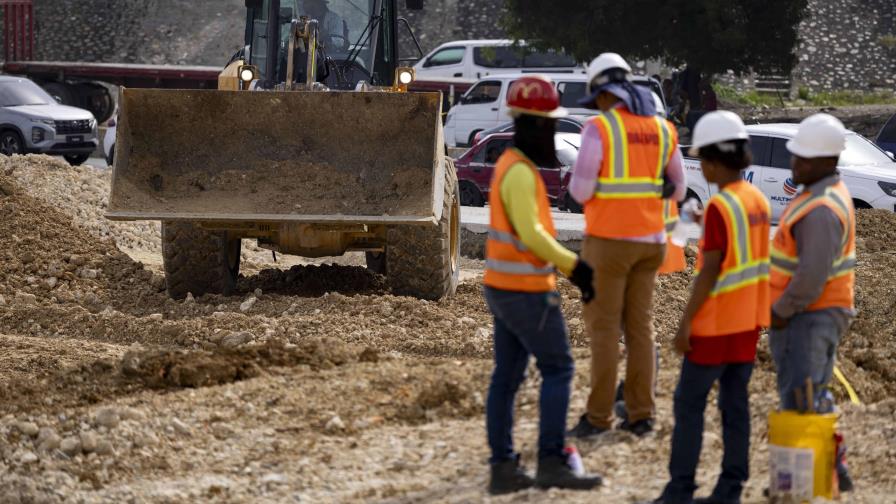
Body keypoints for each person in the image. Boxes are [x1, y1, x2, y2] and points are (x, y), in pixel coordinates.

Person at [482, 75, 602, 495]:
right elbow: (531, 234)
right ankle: (551, 460)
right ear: (532, 125)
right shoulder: (519, 173)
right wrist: (576, 267)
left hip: (502, 287)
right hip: (525, 293)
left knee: (508, 377)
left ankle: (503, 468)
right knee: (559, 368)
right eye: (550, 126)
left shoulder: (512, 167)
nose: (553, 133)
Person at [651, 111, 771, 504]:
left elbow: (711, 272)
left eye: (702, 159)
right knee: (736, 406)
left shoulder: (721, 205)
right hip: (748, 323)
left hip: (716, 325)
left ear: (717, 159)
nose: (700, 167)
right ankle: (730, 488)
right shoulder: (755, 199)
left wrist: (684, 325)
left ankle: (680, 488)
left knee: (689, 406)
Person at [566, 53, 686, 439]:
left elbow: (581, 190)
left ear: (601, 93)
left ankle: (599, 417)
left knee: (603, 331)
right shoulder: (663, 129)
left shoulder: (599, 129)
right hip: (651, 243)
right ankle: (641, 415)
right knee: (640, 330)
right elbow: (678, 188)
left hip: (609, 242)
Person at [768, 113, 856, 492]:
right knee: (814, 393)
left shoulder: (820, 209)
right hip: (816, 314)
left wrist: (781, 310)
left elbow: (811, 276)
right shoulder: (818, 195)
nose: (794, 163)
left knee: (802, 397)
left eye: (802, 158)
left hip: (809, 315)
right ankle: (828, 474)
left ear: (826, 162)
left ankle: (800, 486)